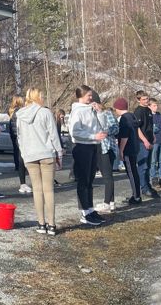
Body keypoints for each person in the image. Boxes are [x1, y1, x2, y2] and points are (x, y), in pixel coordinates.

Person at [15, 88, 64, 236]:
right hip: (46, 154)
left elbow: (19, 138)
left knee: (36, 190)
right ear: (38, 97)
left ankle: (41, 223)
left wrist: (24, 154)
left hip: (30, 155)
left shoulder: (20, 115)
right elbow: (54, 135)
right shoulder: (45, 112)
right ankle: (52, 225)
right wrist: (59, 154)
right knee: (48, 190)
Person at [69, 85, 108, 226]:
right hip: (81, 147)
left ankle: (90, 209)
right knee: (83, 180)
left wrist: (100, 113)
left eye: (91, 95)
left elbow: (102, 126)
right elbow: (75, 132)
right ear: (81, 96)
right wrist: (93, 135)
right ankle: (84, 212)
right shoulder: (77, 111)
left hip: (93, 145)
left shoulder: (92, 108)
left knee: (90, 180)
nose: (91, 98)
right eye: (88, 96)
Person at [114, 97, 142, 205]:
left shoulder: (124, 119)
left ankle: (136, 197)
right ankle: (136, 194)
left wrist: (121, 150)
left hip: (128, 148)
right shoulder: (132, 116)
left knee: (131, 172)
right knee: (134, 171)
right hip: (135, 146)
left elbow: (124, 136)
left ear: (118, 108)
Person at [92, 93, 117, 213]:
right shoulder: (90, 115)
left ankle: (107, 202)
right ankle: (111, 202)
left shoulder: (107, 113)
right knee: (106, 175)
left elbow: (116, 128)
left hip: (107, 148)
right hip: (97, 148)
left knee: (107, 176)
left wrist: (107, 132)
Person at [133, 91, 160, 199]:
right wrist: (144, 140)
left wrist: (153, 135)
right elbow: (137, 128)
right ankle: (143, 188)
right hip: (142, 142)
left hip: (150, 139)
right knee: (143, 167)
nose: (146, 101)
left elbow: (149, 125)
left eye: (147, 99)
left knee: (148, 166)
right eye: (143, 99)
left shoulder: (148, 110)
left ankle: (148, 185)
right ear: (138, 100)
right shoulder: (138, 111)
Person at [8, 96, 31, 194]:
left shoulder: (13, 112)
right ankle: (23, 183)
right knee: (22, 159)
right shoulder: (19, 112)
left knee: (20, 158)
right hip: (20, 137)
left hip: (17, 137)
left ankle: (23, 182)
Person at [149, 98, 161, 188]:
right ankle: (154, 178)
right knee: (153, 161)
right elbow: (150, 129)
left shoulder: (160, 116)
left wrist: (159, 126)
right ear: (149, 106)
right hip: (154, 142)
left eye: (157, 105)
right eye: (154, 105)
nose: (156, 107)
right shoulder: (148, 116)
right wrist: (156, 127)